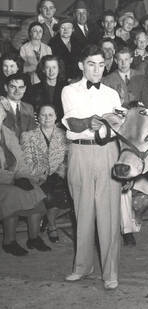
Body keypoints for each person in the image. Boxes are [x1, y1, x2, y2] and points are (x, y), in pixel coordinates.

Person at [62, 45, 121, 290]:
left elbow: (118, 124)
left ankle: (110, 273)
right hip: (80, 153)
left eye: (100, 64)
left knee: (109, 216)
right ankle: (82, 267)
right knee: (82, 214)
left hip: (108, 152)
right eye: (91, 64)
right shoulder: (69, 90)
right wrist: (91, 120)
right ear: (81, 65)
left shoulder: (112, 94)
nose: (96, 69)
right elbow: (73, 123)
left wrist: (112, 122)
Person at [0, 105, 50, 256]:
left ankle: (34, 238)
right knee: (13, 195)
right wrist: (13, 179)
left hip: (12, 178)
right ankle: (9, 242)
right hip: (4, 182)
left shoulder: (7, 133)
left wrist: (29, 176)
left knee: (34, 189)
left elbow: (20, 160)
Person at [21, 104, 68, 242]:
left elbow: (68, 157)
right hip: (39, 176)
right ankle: (52, 225)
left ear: (56, 117)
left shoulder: (65, 135)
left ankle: (47, 219)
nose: (47, 118)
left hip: (61, 175)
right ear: (37, 117)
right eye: (43, 115)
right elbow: (27, 161)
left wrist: (62, 170)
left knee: (70, 195)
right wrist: (42, 172)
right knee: (48, 196)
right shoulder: (28, 136)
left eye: (50, 115)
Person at [28, 55, 66, 121]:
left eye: (54, 67)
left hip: (61, 126)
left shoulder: (66, 88)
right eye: (48, 67)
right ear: (43, 70)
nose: (51, 71)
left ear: (59, 69)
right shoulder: (34, 89)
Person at [1, 73, 36, 139]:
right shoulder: (1, 105)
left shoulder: (29, 108)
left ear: (25, 89)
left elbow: (32, 133)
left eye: (21, 87)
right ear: (6, 88)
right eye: (13, 87)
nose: (17, 91)